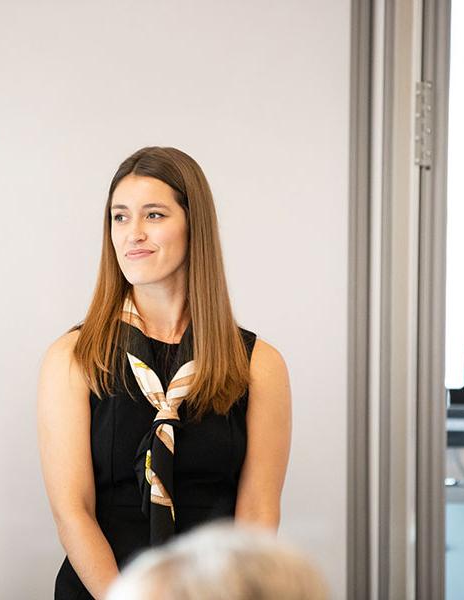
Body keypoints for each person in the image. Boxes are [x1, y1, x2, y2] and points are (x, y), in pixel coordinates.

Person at [37, 146, 292, 599]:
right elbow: (73, 512)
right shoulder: (73, 357)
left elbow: (257, 514)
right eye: (120, 217)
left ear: (195, 225)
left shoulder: (259, 365)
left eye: (153, 215)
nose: (132, 233)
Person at [105, 521, 329, 600]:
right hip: (110, 580)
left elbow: (258, 507)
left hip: (224, 579)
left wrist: (237, 583)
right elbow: (73, 509)